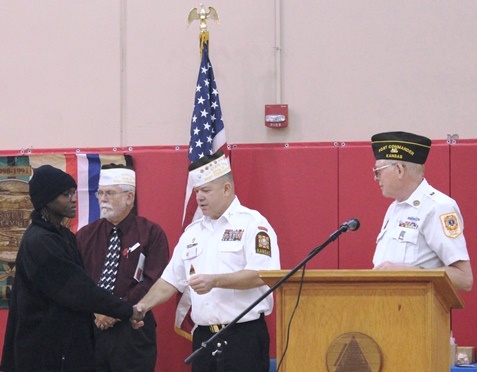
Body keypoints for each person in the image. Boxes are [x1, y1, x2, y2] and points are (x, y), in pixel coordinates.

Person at [134, 150, 281, 372]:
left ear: (226, 189)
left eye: (206, 190)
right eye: (196, 191)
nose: (199, 197)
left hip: (243, 336)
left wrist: (215, 281)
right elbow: (170, 280)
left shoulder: (253, 224)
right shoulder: (193, 233)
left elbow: (262, 275)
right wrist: (143, 306)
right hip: (203, 337)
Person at [0, 165, 143, 372]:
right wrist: (128, 310)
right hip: (44, 353)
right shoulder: (40, 242)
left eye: (73, 193)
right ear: (47, 200)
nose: (74, 199)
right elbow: (78, 290)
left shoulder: (63, 235)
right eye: (66, 195)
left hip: (65, 347)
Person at [76, 164, 169, 372]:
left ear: (129, 197)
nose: (102, 199)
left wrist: (114, 311)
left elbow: (153, 282)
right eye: (100, 193)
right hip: (93, 330)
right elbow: (78, 281)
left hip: (133, 331)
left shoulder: (151, 234)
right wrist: (97, 310)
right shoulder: (85, 236)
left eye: (109, 193)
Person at [371, 131, 473, 291]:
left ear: (399, 170)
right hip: (385, 309)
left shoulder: (438, 208)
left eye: (378, 171)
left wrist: (408, 273)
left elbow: (464, 278)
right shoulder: (394, 208)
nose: (376, 178)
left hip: (417, 311)